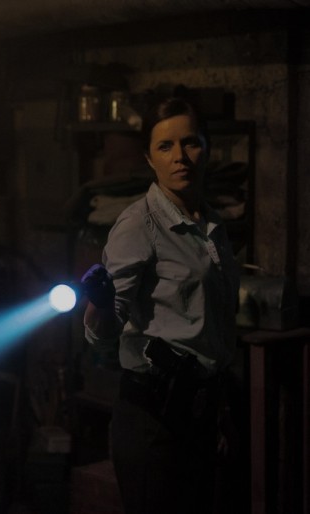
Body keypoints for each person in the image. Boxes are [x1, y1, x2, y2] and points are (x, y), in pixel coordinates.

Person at [80, 96, 240, 514]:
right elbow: (103, 333)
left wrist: (220, 408)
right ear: (150, 158)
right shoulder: (140, 224)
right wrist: (100, 304)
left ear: (207, 147)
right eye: (165, 146)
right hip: (153, 418)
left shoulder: (213, 224)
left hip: (202, 412)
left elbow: (217, 328)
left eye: (190, 142)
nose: (180, 156)